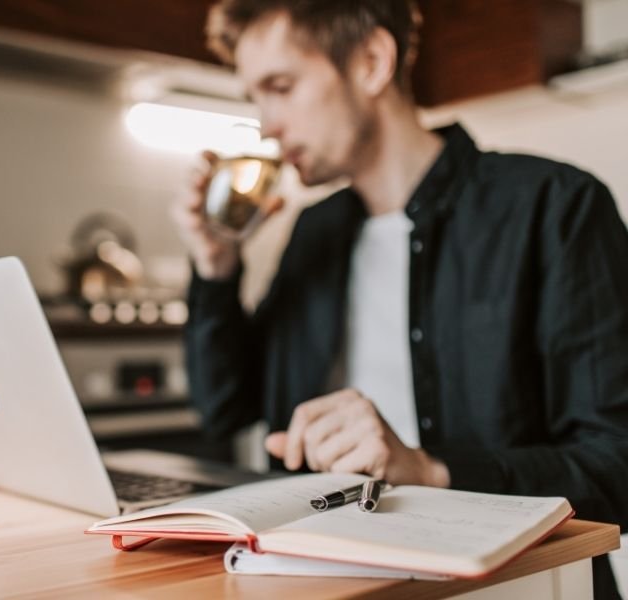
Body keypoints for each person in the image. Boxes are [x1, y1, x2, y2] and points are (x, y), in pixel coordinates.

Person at [171, 1, 628, 597]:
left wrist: (429, 470)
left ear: (371, 62)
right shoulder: (315, 232)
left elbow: (618, 462)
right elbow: (222, 407)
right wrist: (216, 267)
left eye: (280, 88)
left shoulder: (555, 206)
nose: (268, 126)